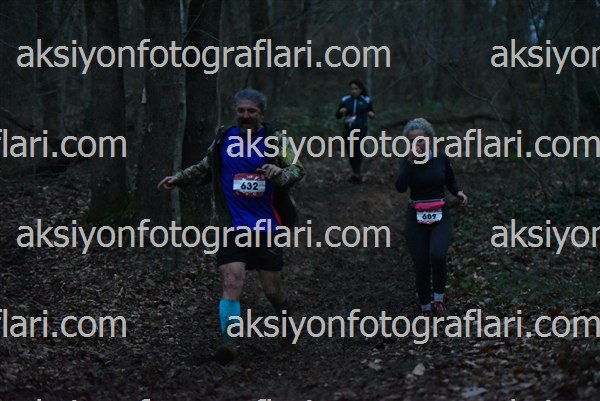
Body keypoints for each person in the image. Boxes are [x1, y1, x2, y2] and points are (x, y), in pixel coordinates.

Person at [157, 89, 305, 359]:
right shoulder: (223, 137)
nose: (245, 116)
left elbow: (297, 169)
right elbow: (205, 167)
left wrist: (279, 173)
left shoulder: (275, 138)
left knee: (272, 291)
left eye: (251, 111)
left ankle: (287, 328)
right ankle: (229, 343)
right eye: (241, 110)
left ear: (261, 113)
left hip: (266, 226)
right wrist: (179, 178)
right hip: (232, 225)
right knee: (232, 281)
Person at [395, 118, 468, 317]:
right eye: (412, 141)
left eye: (421, 139)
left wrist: (458, 192)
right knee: (421, 264)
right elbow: (400, 187)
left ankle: (439, 299)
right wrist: (410, 161)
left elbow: (450, 181)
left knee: (437, 256)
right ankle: (425, 306)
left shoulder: (441, 158)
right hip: (415, 217)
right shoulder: (407, 161)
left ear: (429, 139)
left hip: (440, 215)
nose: (417, 144)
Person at [335, 79, 375, 183]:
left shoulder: (366, 100)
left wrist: (371, 114)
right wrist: (341, 111)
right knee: (349, 150)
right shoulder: (345, 100)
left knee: (357, 148)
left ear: (360, 90)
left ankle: (357, 172)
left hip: (360, 128)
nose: (353, 91)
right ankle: (355, 171)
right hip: (348, 128)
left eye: (356, 89)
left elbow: (371, 112)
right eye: (352, 89)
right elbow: (337, 116)